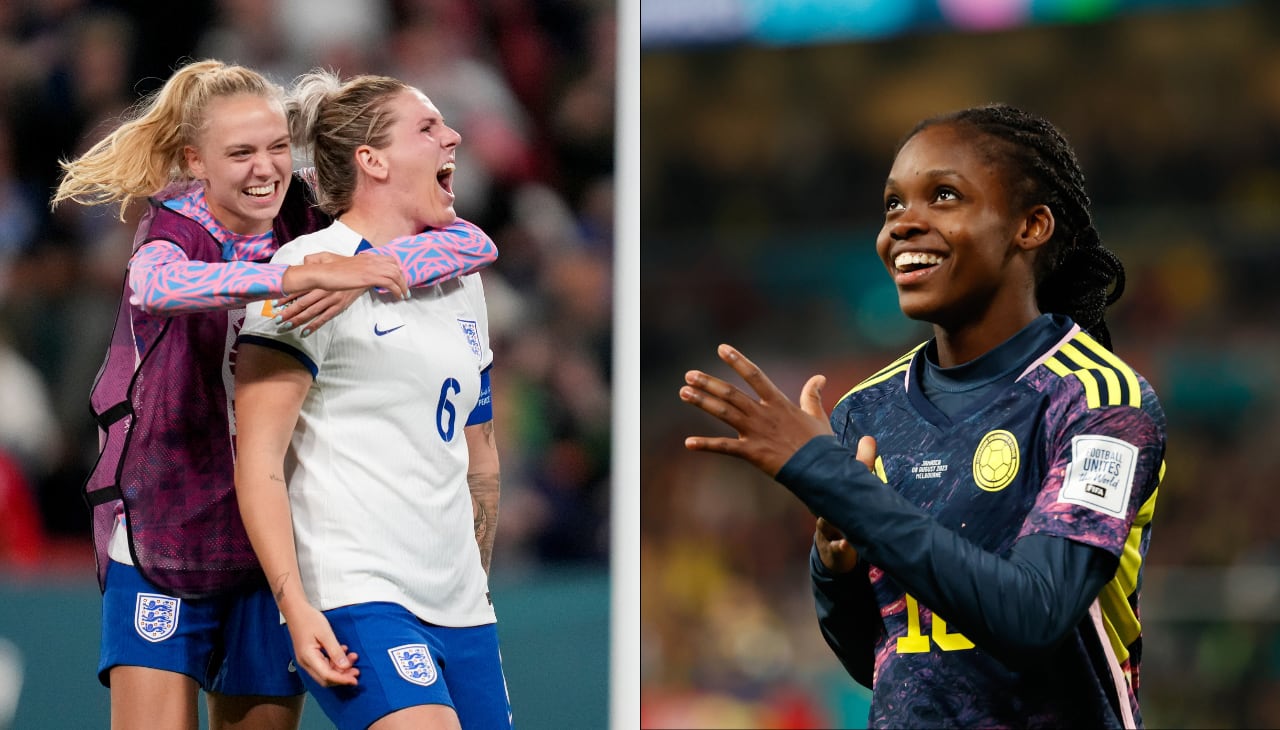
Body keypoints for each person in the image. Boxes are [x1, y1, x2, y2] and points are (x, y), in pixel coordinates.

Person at [680, 104, 1167, 729]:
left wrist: (835, 480)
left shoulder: (1098, 400)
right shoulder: (867, 410)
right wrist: (835, 564)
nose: (904, 224)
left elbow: (1035, 617)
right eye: (892, 205)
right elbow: (876, 659)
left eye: (942, 196)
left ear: (1031, 225)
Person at [52, 59, 498, 729]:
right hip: (166, 524)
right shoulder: (174, 225)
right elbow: (157, 288)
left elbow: (470, 240)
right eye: (240, 154)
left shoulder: (303, 211)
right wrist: (284, 277)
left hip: (270, 536)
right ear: (193, 161)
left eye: (275, 149)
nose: (265, 168)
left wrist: (367, 271)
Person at [234, 69, 510, 730]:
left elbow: (482, 455)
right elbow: (260, 459)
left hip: (462, 607)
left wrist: (477, 582)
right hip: (356, 589)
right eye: (428, 127)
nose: (454, 135)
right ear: (372, 160)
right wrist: (295, 607)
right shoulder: (308, 272)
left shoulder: (458, 280)